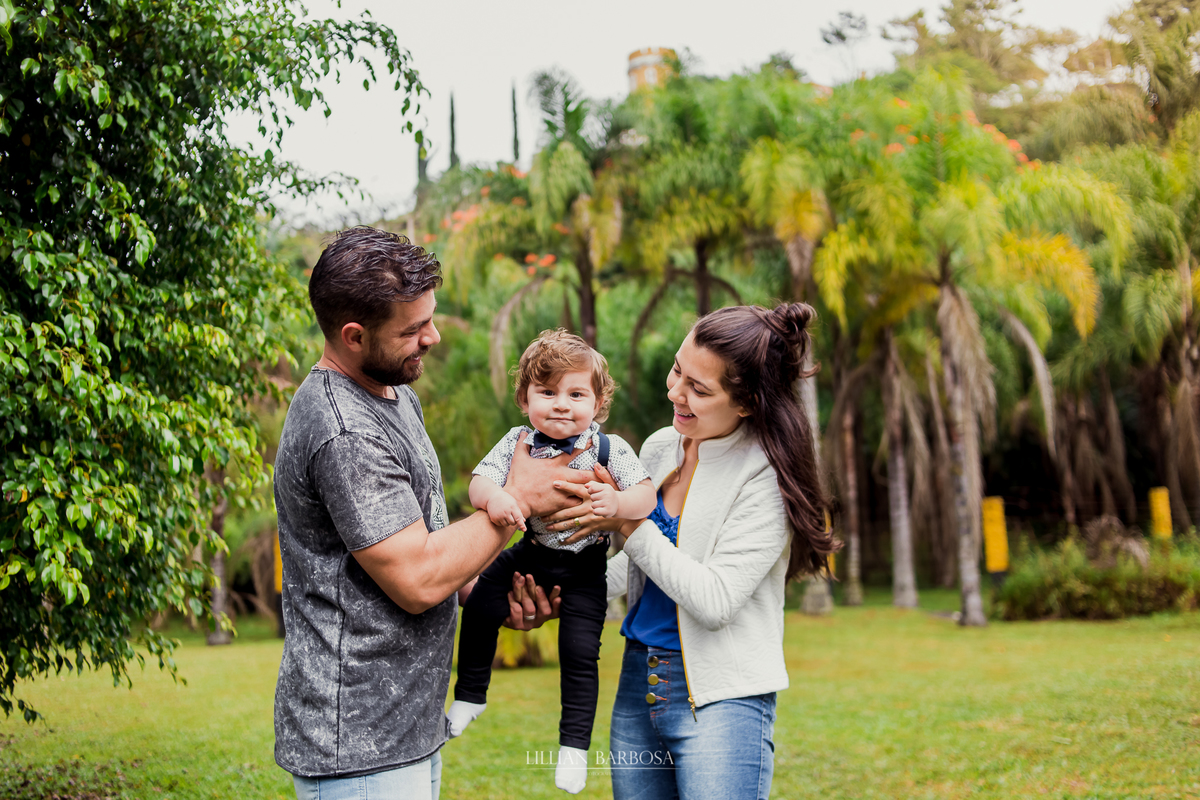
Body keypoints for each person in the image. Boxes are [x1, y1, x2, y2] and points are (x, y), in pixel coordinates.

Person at [272, 226, 589, 800]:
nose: (434, 337)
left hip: (406, 728)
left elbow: (430, 539)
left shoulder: (393, 392)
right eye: (414, 329)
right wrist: (520, 498)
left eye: (431, 318)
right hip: (360, 743)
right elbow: (417, 579)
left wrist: (488, 594)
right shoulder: (345, 431)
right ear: (352, 335)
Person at [525, 302, 838, 800]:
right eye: (677, 370)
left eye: (699, 388)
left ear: (747, 403)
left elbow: (715, 601)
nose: (675, 391)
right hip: (637, 683)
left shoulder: (764, 477)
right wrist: (559, 592)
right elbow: (638, 568)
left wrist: (628, 521)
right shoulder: (659, 447)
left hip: (723, 700)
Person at [448, 329, 656, 795]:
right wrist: (497, 498)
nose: (561, 404)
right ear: (524, 399)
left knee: (580, 654)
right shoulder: (518, 442)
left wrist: (616, 503)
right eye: (547, 392)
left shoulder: (609, 449)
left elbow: (645, 496)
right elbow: (479, 482)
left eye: (575, 393)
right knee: (479, 603)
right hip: (530, 554)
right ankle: (470, 695)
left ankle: (574, 749)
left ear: (598, 404)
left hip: (585, 571)